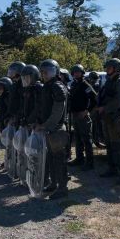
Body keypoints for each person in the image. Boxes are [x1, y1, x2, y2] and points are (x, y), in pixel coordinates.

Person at [35, 59, 69, 200]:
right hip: (50, 128)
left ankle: (62, 188)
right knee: (51, 158)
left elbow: (58, 111)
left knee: (59, 160)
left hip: (56, 128)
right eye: (42, 72)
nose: (44, 74)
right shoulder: (47, 86)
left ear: (55, 71)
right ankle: (54, 184)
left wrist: (45, 125)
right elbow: (43, 108)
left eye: (47, 71)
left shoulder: (57, 86)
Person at [96, 58, 120, 185]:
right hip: (108, 118)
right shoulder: (109, 81)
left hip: (117, 118)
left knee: (118, 147)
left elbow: (119, 100)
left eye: (109, 68)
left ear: (116, 68)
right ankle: (112, 169)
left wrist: (104, 108)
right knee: (110, 146)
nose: (107, 70)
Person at [68, 64, 97, 171]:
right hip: (75, 115)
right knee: (78, 138)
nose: (76, 74)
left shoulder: (85, 85)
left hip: (82, 115)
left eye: (78, 72)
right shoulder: (74, 84)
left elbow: (94, 99)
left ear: (82, 73)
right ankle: (79, 159)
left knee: (87, 139)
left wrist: (86, 111)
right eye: (75, 72)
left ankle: (90, 163)